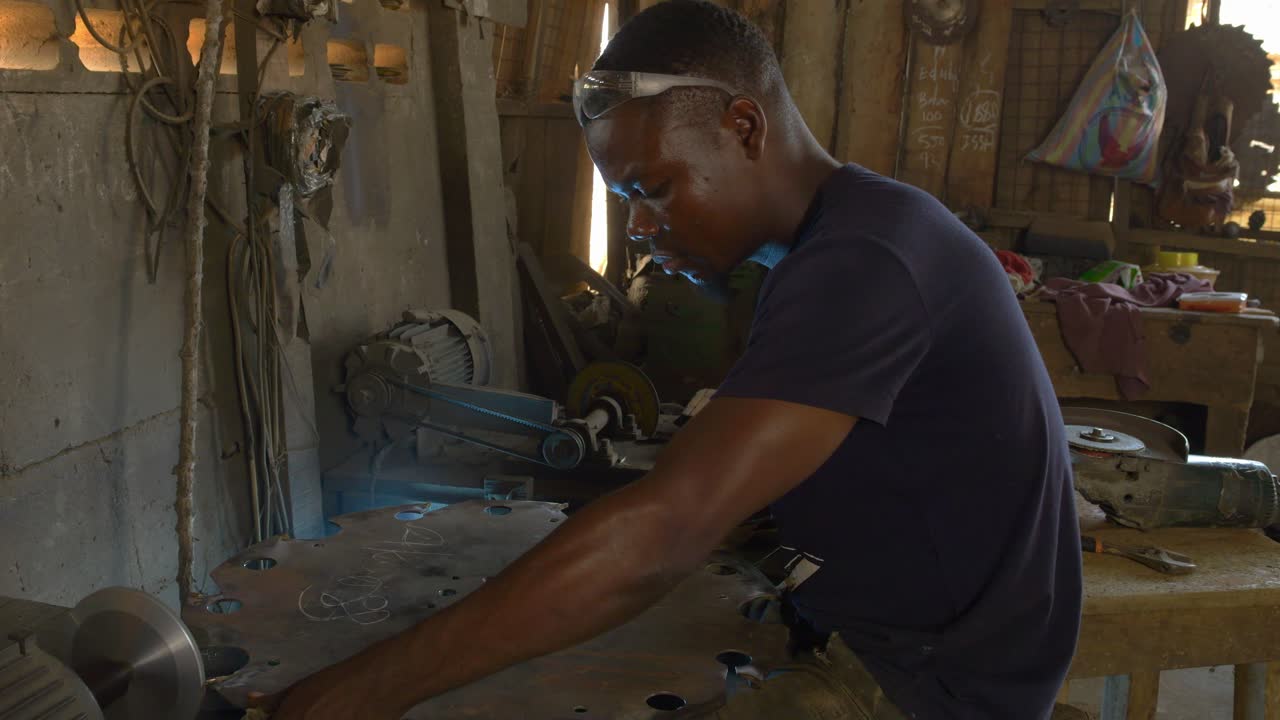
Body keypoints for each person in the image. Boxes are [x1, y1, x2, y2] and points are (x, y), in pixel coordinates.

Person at [260, 1, 1082, 717]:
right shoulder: (839, 241)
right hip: (895, 634)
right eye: (624, 202)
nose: (639, 229)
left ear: (745, 127)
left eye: (651, 190)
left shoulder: (868, 264)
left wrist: (359, 692)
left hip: (928, 689)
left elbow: (667, 532)